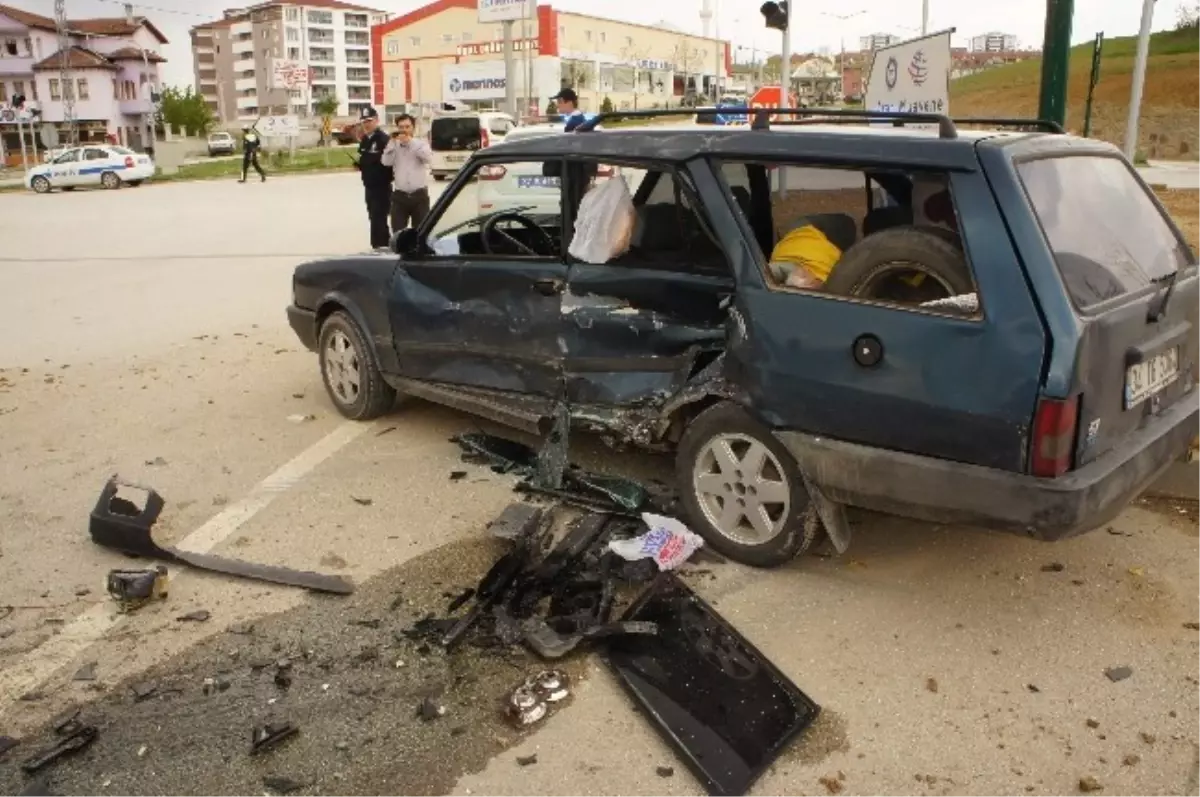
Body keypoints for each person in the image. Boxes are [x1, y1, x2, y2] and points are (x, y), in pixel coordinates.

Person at [382, 114, 432, 234]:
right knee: (398, 233)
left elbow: (428, 159)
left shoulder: (421, 144)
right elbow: (386, 162)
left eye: (407, 127)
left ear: (413, 128)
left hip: (419, 196)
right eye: (401, 127)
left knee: (421, 233)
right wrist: (391, 145)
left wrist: (411, 142)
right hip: (400, 197)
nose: (404, 130)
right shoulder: (394, 144)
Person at [354, 106, 393, 249]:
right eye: (363, 121)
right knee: (373, 219)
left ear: (377, 120)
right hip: (369, 187)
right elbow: (363, 158)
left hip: (382, 187)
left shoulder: (384, 139)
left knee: (379, 219)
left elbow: (388, 164)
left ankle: (383, 246)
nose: (366, 124)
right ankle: (377, 246)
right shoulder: (365, 140)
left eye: (369, 121)